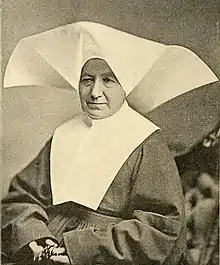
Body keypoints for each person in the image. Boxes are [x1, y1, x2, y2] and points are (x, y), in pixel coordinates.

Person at [2, 22, 191, 265]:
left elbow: (160, 226)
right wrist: (35, 237)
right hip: (49, 249)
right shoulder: (64, 134)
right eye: (87, 80)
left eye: (109, 80)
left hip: (107, 257)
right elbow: (23, 197)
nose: (94, 92)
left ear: (127, 85)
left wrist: (80, 249)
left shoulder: (146, 142)